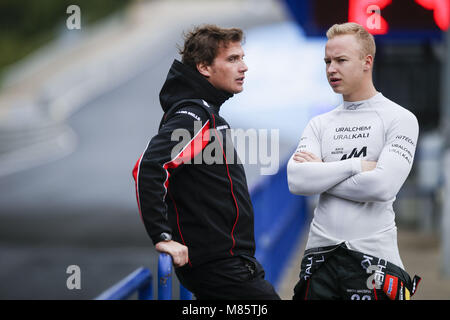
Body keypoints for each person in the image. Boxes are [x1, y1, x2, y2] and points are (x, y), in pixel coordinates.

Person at [132, 25, 280, 300]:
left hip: (229, 262)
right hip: (219, 266)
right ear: (204, 67)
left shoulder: (205, 114)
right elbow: (149, 168)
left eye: (242, 58)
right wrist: (163, 238)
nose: (244, 67)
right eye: (233, 59)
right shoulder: (193, 117)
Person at [287, 22, 421, 300]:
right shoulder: (319, 123)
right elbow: (297, 180)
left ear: (366, 62)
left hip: (374, 261)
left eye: (340, 60)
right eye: (327, 61)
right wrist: (356, 166)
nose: (331, 69)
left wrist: (321, 175)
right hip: (319, 260)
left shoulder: (400, 118)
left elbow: (382, 187)